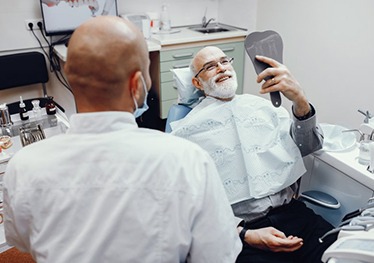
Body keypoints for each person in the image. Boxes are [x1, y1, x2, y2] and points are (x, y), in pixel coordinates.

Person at [3, 17, 242, 263]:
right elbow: (218, 255)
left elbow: (21, 240)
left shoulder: (23, 166)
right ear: (137, 85)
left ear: (70, 76)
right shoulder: (189, 161)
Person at [170, 46, 337, 263]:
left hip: (294, 215)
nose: (221, 68)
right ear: (197, 83)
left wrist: (299, 100)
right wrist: (243, 233)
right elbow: (186, 205)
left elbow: (310, 146)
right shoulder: (187, 132)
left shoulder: (265, 108)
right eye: (210, 66)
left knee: (343, 253)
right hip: (243, 232)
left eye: (224, 61)